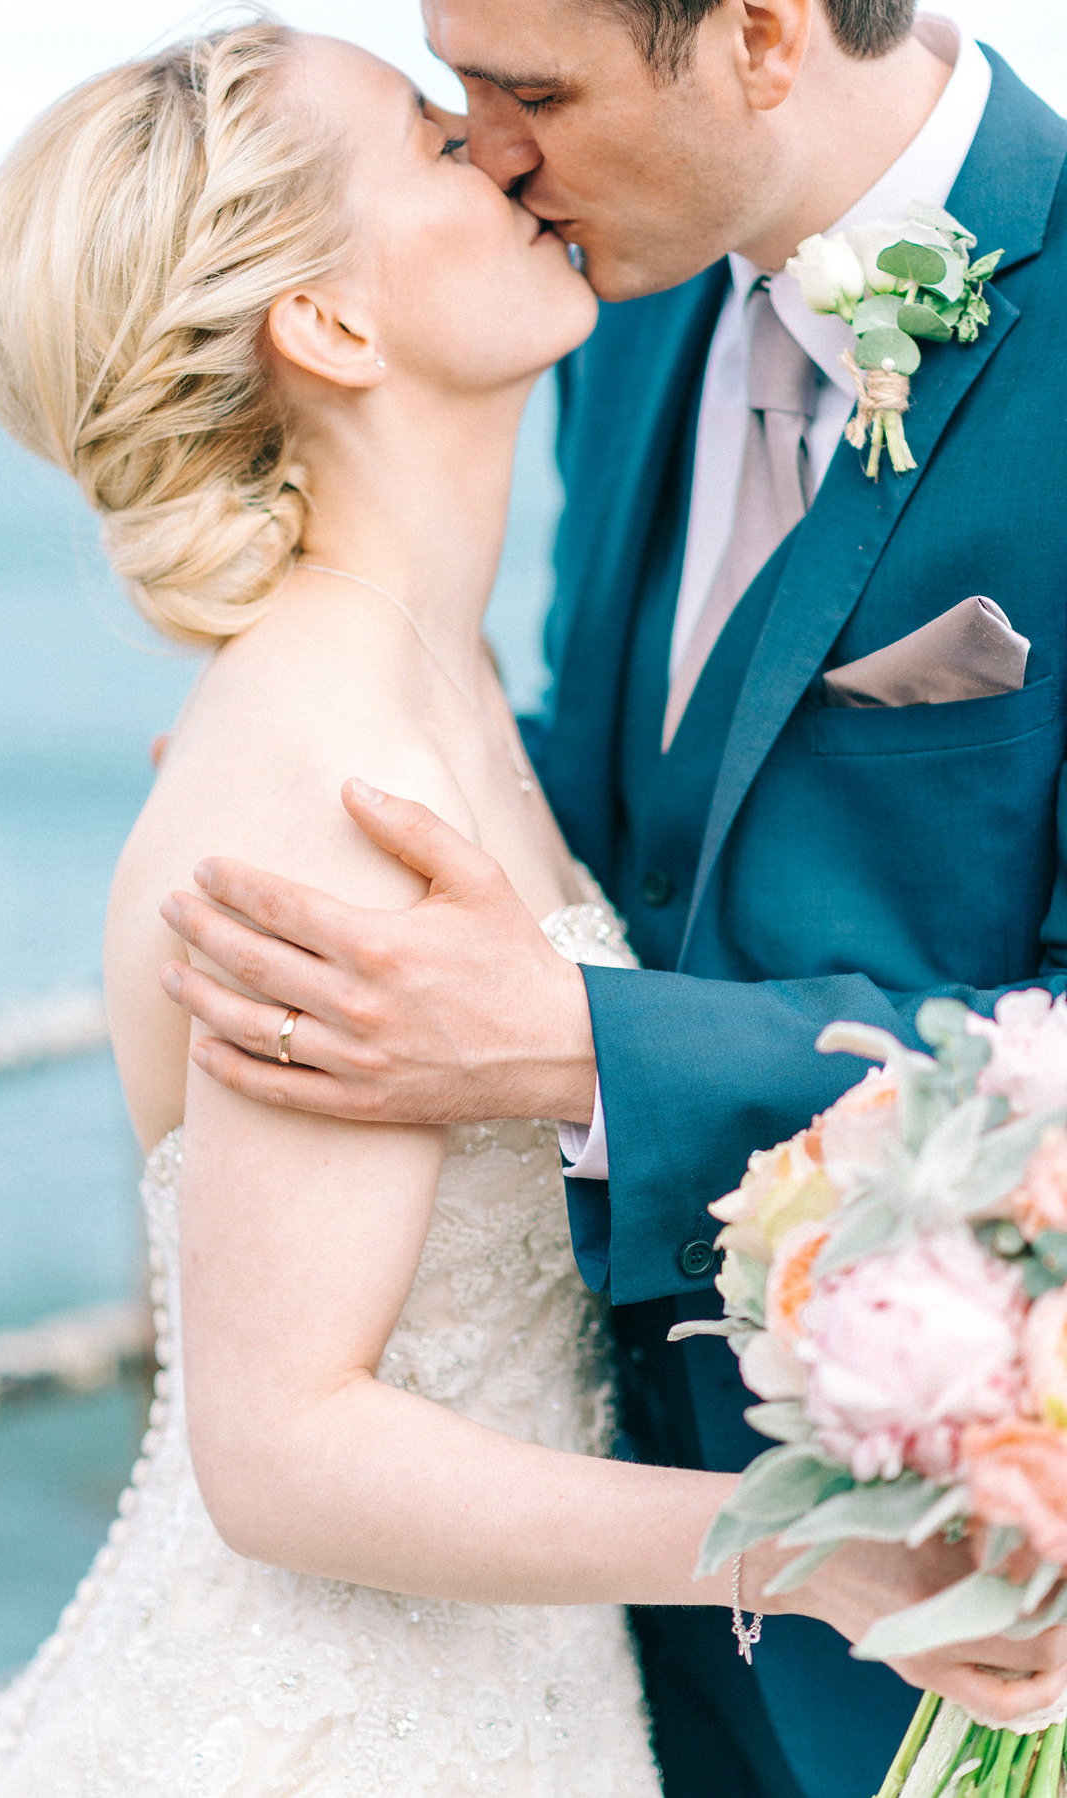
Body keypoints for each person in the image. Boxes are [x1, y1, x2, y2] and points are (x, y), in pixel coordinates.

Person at [155, 2, 1067, 1795]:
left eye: (532, 92)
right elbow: (619, 800)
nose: (490, 144)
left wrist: (579, 1046)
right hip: (568, 1607)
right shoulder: (609, 308)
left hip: (949, 1597)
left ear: (759, 35)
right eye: (456, 89)